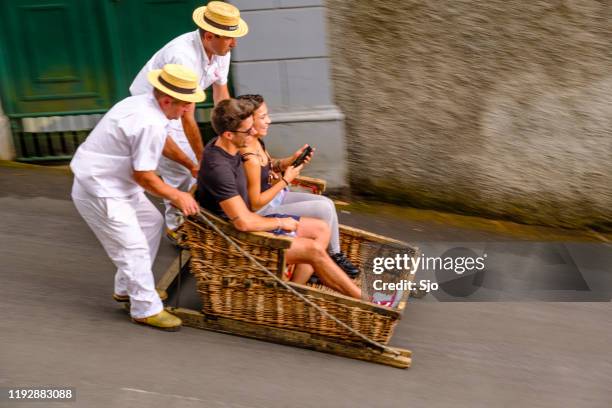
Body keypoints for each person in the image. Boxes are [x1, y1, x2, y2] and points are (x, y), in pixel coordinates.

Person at [70, 64, 205, 331]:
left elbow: (163, 143)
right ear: (167, 100)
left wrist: (190, 164)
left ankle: (126, 290)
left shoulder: (145, 104)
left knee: (151, 223)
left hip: (115, 183)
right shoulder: (149, 122)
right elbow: (145, 176)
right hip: (101, 190)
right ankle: (145, 308)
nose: (189, 110)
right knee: (133, 247)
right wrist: (177, 195)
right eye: (186, 104)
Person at [196, 99, 362, 298]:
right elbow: (243, 222)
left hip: (249, 220)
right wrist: (281, 221)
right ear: (228, 134)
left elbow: (258, 175)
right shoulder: (219, 168)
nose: (254, 133)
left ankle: (291, 294)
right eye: (248, 130)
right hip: (236, 241)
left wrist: (277, 169)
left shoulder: (231, 147)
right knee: (313, 249)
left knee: (322, 229)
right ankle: (366, 301)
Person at [129, 1, 249, 238]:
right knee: (182, 171)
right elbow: (187, 115)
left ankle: (195, 220)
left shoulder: (221, 49)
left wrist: (233, 131)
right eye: (229, 38)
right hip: (154, 109)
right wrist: (201, 160)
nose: (234, 43)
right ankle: (177, 229)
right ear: (209, 35)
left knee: (195, 165)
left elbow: (222, 96)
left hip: (178, 107)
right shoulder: (183, 57)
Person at [236, 94, 359, 278]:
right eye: (262, 117)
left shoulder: (256, 141)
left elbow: (270, 165)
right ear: (248, 122)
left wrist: (289, 161)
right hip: (264, 210)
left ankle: (334, 256)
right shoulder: (249, 158)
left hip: (277, 196)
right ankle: (331, 261)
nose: (268, 121)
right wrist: (286, 180)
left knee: (327, 205)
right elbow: (255, 205)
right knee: (322, 209)